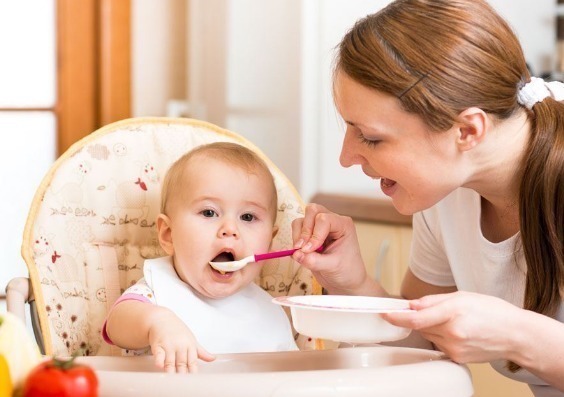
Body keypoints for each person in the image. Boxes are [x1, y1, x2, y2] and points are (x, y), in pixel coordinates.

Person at [291, 1, 564, 395]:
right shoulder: (447, 189)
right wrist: (352, 283)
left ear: (467, 131)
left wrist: (520, 336)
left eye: (370, 137)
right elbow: (424, 342)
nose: (346, 157)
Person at [104, 142, 298, 374]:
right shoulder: (156, 293)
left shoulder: (271, 312)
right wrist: (157, 323)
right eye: (209, 212)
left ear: (269, 243)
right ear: (168, 234)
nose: (230, 229)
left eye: (248, 216)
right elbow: (117, 324)